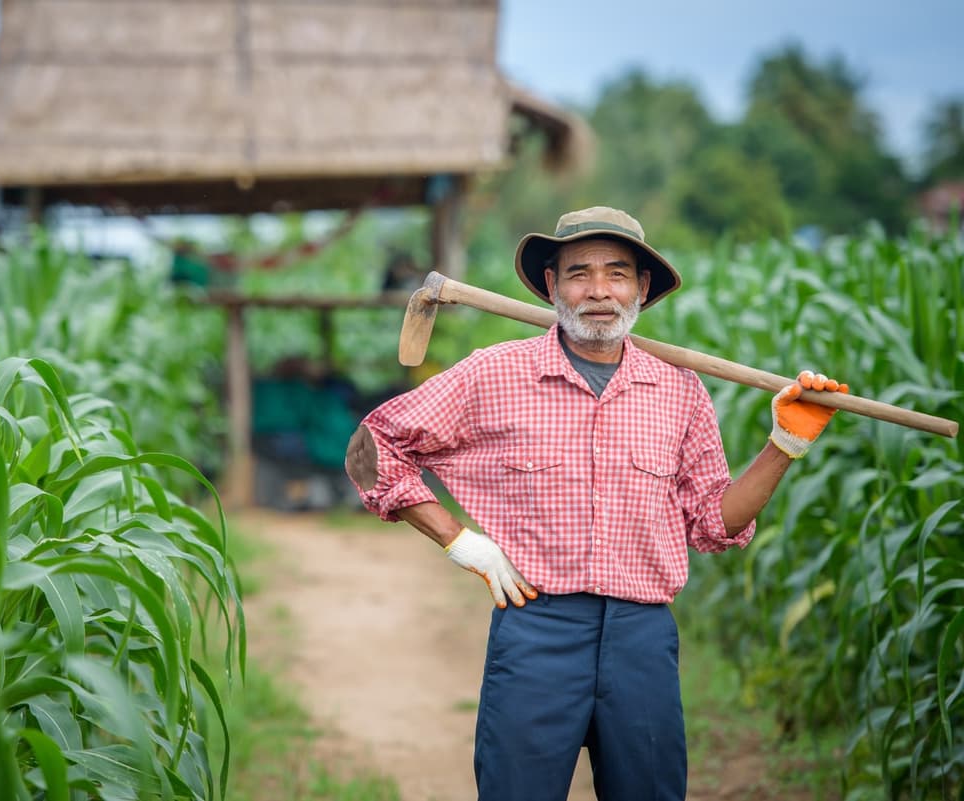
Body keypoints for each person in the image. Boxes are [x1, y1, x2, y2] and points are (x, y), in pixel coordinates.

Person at [343, 206, 847, 801]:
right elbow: (372, 447)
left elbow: (714, 525)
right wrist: (460, 541)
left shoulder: (679, 392)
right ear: (553, 286)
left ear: (642, 287)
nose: (599, 291)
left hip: (643, 638)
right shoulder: (495, 373)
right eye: (579, 273)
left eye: (618, 273)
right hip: (537, 629)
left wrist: (783, 445)